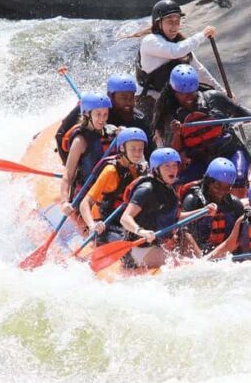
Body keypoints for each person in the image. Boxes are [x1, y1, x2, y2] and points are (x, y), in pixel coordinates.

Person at [155, 64, 251, 195]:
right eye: (183, 94)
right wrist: (177, 134)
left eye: (191, 92)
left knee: (238, 179)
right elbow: (174, 153)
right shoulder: (170, 116)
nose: (188, 97)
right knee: (177, 185)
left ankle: (238, 203)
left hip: (231, 151)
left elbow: (240, 112)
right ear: (174, 92)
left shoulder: (214, 98)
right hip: (201, 161)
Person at [120, 148, 216, 269]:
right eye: (166, 166)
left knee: (186, 239)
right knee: (182, 265)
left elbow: (177, 218)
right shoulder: (146, 189)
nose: (172, 170)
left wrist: (203, 212)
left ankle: (202, 261)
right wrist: (141, 231)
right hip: (137, 249)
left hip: (156, 245)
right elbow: (125, 218)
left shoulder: (170, 191)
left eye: (174, 165)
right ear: (156, 169)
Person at [132, 0, 223, 116]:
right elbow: (175, 52)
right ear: (158, 23)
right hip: (150, 98)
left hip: (175, 97)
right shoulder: (150, 41)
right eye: (170, 22)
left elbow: (199, 71)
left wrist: (222, 93)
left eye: (177, 22)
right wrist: (202, 35)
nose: (174, 26)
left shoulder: (181, 44)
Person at [78, 128, 148, 256]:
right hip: (105, 223)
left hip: (123, 219)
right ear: (122, 148)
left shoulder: (138, 168)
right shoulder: (111, 171)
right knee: (130, 249)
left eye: (140, 149)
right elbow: (85, 203)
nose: (137, 153)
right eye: (133, 149)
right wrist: (92, 225)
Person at [55, 73, 153, 162]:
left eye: (131, 98)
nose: (128, 103)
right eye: (123, 98)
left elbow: (149, 153)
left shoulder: (140, 121)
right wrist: (70, 163)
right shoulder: (91, 110)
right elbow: (60, 135)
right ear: (111, 97)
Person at [59, 93, 116, 215]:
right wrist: (64, 202)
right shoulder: (80, 141)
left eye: (105, 114)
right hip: (87, 196)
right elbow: (68, 174)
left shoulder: (112, 132)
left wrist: (126, 136)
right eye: (98, 114)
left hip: (109, 194)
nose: (102, 119)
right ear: (87, 114)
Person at [180, 157, 245, 254]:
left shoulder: (235, 204)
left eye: (227, 188)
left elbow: (242, 234)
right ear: (208, 182)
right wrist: (201, 259)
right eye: (218, 186)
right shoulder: (193, 200)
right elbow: (184, 232)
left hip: (224, 254)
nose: (222, 191)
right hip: (198, 255)